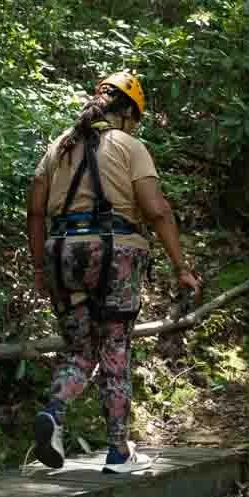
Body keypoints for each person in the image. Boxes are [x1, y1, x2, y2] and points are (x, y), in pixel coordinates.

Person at [27, 71, 199, 474]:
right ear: (126, 113)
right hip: (116, 253)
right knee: (115, 348)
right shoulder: (129, 145)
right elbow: (156, 210)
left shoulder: (58, 147)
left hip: (63, 254)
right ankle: (119, 452)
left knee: (80, 348)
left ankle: (54, 412)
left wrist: (38, 266)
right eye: (136, 117)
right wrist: (181, 266)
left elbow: (35, 212)